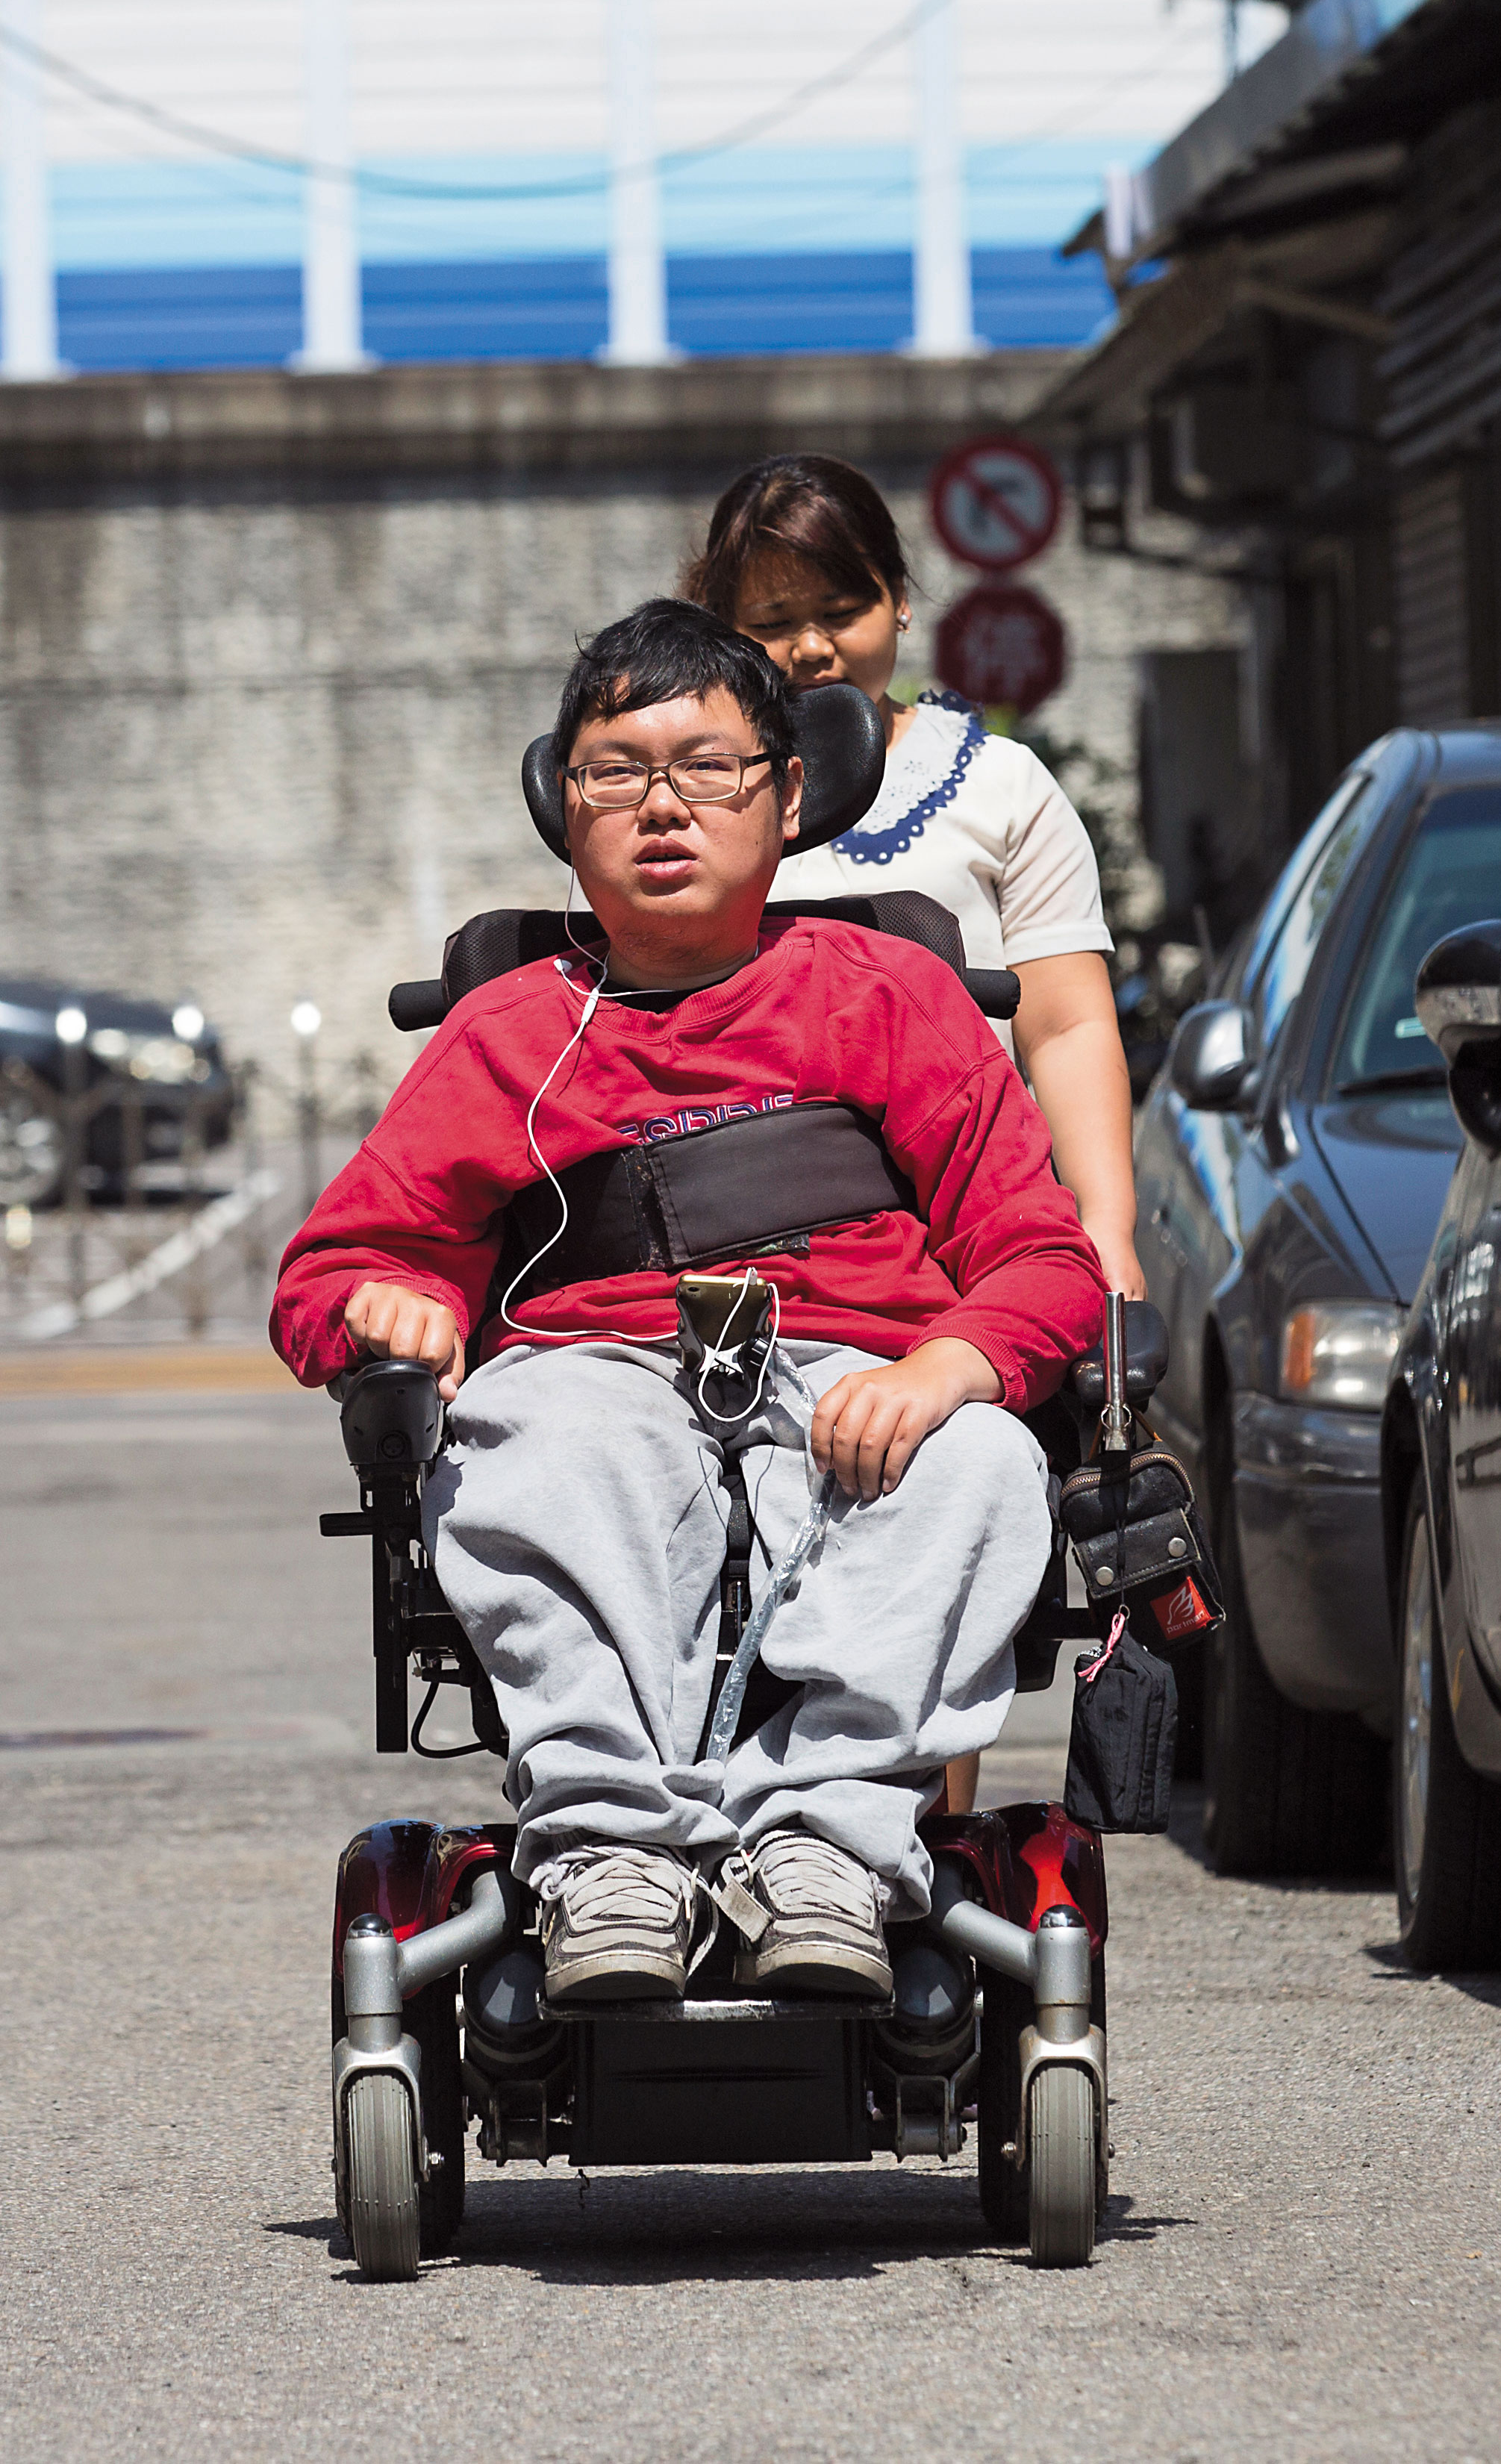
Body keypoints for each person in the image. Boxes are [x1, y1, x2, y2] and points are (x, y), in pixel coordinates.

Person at [274, 599, 1107, 2006]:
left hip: (861, 1370)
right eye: (616, 771)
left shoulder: (890, 994)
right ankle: (612, 1855)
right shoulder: (509, 1031)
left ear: (786, 798)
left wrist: (948, 1368)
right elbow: (330, 1270)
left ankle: (826, 1846)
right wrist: (390, 1302)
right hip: (595, 1369)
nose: (661, 804)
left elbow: (1041, 1259)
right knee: (547, 1435)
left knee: (976, 1458)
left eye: (707, 767)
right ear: (563, 808)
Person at [687, 453, 1144, 1298]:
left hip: (975, 1231)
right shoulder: (671, 796)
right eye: (773, 619)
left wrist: (1104, 1232)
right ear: (719, 627)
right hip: (732, 1247)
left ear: (899, 600)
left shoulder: (1000, 785)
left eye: (841, 609)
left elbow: (1065, 1028)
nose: (812, 648)